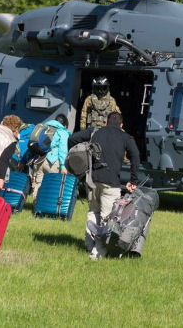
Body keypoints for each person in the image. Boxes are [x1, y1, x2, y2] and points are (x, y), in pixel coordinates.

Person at [68, 111, 140, 259]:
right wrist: (133, 180)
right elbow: (135, 156)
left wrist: (77, 163)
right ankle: (98, 252)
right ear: (121, 125)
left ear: (106, 123)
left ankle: (88, 244)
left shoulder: (95, 131)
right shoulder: (126, 137)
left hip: (92, 180)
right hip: (111, 183)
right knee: (107, 218)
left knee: (93, 211)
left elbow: (72, 138)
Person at [29, 114, 71, 203]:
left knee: (38, 183)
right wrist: (63, 166)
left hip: (39, 159)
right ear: (65, 125)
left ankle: (37, 207)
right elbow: (63, 150)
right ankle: (48, 208)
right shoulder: (62, 132)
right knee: (52, 186)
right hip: (53, 162)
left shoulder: (43, 128)